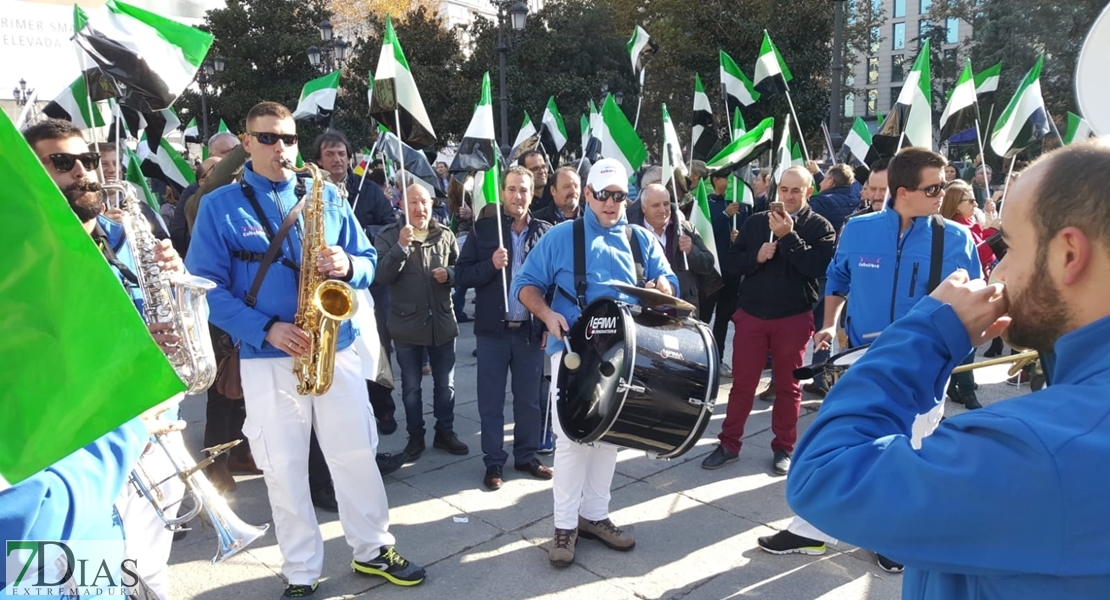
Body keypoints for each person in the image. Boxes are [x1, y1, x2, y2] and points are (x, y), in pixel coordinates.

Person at [788, 138, 1110, 600]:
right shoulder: (859, 230)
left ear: (1068, 255)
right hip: (871, 354)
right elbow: (839, 280)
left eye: (1010, 247)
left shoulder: (1037, 447)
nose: (996, 273)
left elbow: (825, 474)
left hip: (908, 371)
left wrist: (926, 336)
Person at [186, 101, 424, 597]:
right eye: (268, 138)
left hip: (334, 347)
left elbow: (368, 261)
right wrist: (264, 329)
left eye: (289, 139)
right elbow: (203, 288)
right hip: (269, 355)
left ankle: (373, 549)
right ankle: (300, 568)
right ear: (247, 143)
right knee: (283, 465)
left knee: (356, 453)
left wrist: (348, 264)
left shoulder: (327, 195)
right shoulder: (219, 206)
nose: (281, 148)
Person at [757, 147, 981, 572]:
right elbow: (838, 282)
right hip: (861, 361)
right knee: (842, 447)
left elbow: (976, 302)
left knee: (908, 456)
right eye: (932, 188)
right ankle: (811, 531)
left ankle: (892, 537)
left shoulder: (955, 238)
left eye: (943, 186)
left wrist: (951, 352)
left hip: (922, 368)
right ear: (902, 191)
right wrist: (829, 323)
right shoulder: (858, 231)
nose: (941, 194)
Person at [23, 118, 188, 599]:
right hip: (86, 449)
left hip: (157, 428)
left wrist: (176, 283)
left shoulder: (128, 237)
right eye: (62, 162)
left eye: (89, 159)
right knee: (96, 576)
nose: (83, 171)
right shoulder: (29, 259)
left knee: (151, 566)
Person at [513, 158, 678, 568]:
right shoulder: (561, 237)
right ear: (587, 194)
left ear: (628, 197)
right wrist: (548, 315)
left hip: (626, 357)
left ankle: (595, 516)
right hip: (573, 353)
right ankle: (565, 526)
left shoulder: (641, 239)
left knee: (609, 440)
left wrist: (662, 286)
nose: (610, 203)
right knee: (571, 442)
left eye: (618, 196)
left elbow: (670, 284)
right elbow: (524, 285)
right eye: (602, 195)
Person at [702, 166, 835, 475]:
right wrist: (756, 257)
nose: (788, 197)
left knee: (789, 388)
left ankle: (784, 448)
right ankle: (729, 444)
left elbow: (816, 267)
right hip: (752, 316)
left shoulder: (819, 226)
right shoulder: (756, 222)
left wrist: (789, 238)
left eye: (795, 191)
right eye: (784, 190)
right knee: (742, 385)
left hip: (793, 318)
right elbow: (733, 263)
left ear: (808, 193)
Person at [456, 166, 553, 490]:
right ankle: (494, 462)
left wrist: (547, 325)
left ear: (532, 192)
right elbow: (462, 274)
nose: (518, 196)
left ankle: (525, 456)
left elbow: (553, 283)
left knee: (528, 401)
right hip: (493, 332)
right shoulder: (486, 230)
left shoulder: (545, 231)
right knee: (491, 401)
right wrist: (490, 265)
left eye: (523, 190)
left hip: (529, 331)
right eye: (511, 189)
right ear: (503, 192)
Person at [373, 184, 469, 462]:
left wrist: (450, 274)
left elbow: (462, 271)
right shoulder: (389, 235)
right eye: (413, 202)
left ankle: (445, 432)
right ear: (402, 206)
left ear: (431, 204)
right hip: (406, 327)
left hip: (442, 323)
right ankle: (415, 436)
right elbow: (381, 275)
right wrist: (401, 247)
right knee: (412, 387)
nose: (419, 208)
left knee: (445, 385)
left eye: (424, 202)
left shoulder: (444, 234)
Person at [628, 183, 717, 310]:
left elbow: (708, 264)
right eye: (656, 205)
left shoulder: (685, 228)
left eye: (666, 204)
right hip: (645, 312)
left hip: (682, 310)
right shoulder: (630, 234)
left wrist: (692, 251)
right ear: (643, 208)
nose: (662, 210)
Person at [698, 170, 748, 376]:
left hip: (732, 270)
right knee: (704, 317)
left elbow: (748, 232)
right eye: (725, 178)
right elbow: (703, 229)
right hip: (712, 270)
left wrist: (740, 237)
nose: (729, 183)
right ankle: (700, 359)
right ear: (715, 180)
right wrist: (725, 215)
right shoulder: (708, 204)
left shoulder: (741, 206)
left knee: (723, 319)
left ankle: (718, 359)